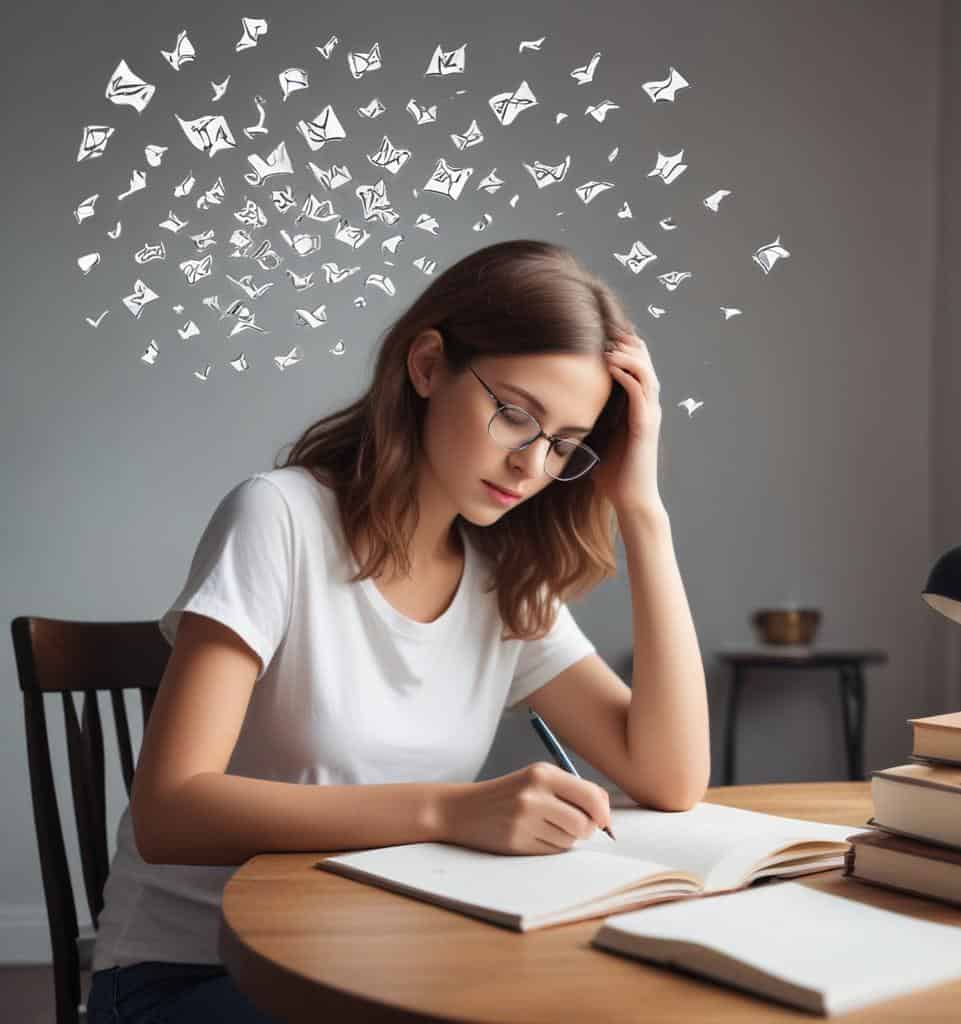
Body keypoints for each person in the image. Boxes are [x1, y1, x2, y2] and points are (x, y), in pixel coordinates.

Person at [86, 239, 710, 1023]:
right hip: (193, 973)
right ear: (425, 366)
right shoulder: (278, 516)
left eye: (564, 445)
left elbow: (671, 777)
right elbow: (170, 813)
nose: (530, 466)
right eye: (515, 414)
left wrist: (643, 513)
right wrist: (451, 812)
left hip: (383, 958)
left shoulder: (502, 576)